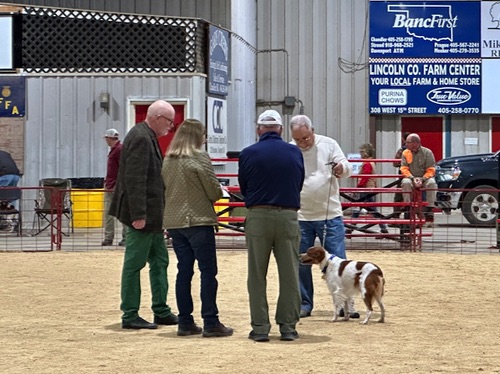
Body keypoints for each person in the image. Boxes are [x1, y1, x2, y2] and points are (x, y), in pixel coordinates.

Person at [109, 100, 178, 330]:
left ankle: (161, 310)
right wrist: (139, 214)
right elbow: (135, 179)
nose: (171, 126)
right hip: (143, 217)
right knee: (134, 264)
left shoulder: (145, 136)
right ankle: (130, 314)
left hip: (154, 217)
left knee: (160, 261)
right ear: (158, 117)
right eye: (169, 121)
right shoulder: (140, 137)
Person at [162, 119, 233, 338]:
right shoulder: (199, 157)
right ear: (197, 136)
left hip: (174, 223)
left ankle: (185, 322)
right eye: (204, 134)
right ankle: (211, 321)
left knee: (184, 271)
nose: (206, 139)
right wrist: (218, 190)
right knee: (208, 272)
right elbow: (213, 191)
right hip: (198, 221)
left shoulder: (168, 160)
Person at [238, 109, 304, 342]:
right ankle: (288, 327)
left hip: (258, 216)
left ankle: (260, 328)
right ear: (281, 129)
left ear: (259, 129)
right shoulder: (294, 152)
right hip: (288, 216)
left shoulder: (247, 153)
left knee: (257, 274)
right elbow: (299, 183)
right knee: (289, 273)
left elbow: (244, 187)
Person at [289, 115, 357, 319]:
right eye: (298, 139)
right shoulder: (290, 149)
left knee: (339, 263)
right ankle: (304, 304)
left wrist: (341, 168)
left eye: (306, 138)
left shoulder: (329, 144)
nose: (302, 143)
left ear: (313, 131)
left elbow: (348, 167)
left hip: (330, 214)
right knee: (302, 262)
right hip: (300, 214)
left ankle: (347, 305)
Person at [347, 143, 388, 235]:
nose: (360, 154)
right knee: (362, 208)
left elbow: (365, 177)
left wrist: (358, 187)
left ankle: (350, 228)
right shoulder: (370, 162)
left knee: (366, 208)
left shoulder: (367, 163)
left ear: (365, 153)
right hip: (368, 188)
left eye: (361, 152)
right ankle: (350, 228)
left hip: (366, 189)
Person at [400, 133, 437, 223]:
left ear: (415, 143)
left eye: (408, 142)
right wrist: (412, 178)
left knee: (432, 183)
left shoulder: (427, 152)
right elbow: (404, 168)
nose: (406, 144)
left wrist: (423, 179)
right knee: (405, 183)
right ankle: (408, 207)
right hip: (411, 178)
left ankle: (429, 209)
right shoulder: (405, 152)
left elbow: (431, 169)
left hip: (424, 178)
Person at [102, 129, 127, 247]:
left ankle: (122, 237)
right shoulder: (117, 150)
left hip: (115, 186)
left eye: (106, 138)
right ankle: (109, 237)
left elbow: (123, 168)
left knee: (118, 212)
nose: (106, 140)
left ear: (109, 138)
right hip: (112, 184)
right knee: (110, 213)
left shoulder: (118, 150)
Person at [392, 132, 410, 219]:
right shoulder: (418, 150)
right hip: (414, 177)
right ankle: (411, 218)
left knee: (398, 198)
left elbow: (395, 163)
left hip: (403, 177)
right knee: (412, 197)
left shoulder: (401, 151)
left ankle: (396, 217)